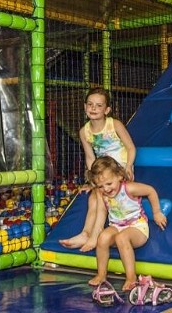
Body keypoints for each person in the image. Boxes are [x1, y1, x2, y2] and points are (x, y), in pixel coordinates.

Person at [60, 88, 136, 251]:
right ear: (85, 106)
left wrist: (129, 166)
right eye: (90, 104)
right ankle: (86, 233)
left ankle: (93, 235)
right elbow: (90, 157)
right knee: (94, 195)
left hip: (119, 167)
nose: (93, 108)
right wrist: (92, 180)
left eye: (99, 105)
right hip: (102, 171)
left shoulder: (114, 124)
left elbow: (130, 147)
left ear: (106, 110)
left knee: (98, 194)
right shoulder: (84, 131)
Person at [86, 156, 167, 292]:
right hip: (116, 226)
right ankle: (101, 275)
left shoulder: (129, 188)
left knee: (121, 238)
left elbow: (150, 191)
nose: (105, 189)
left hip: (137, 227)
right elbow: (101, 213)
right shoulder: (102, 194)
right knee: (103, 238)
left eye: (109, 183)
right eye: (100, 186)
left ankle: (131, 278)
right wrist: (96, 234)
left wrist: (157, 212)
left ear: (119, 176)